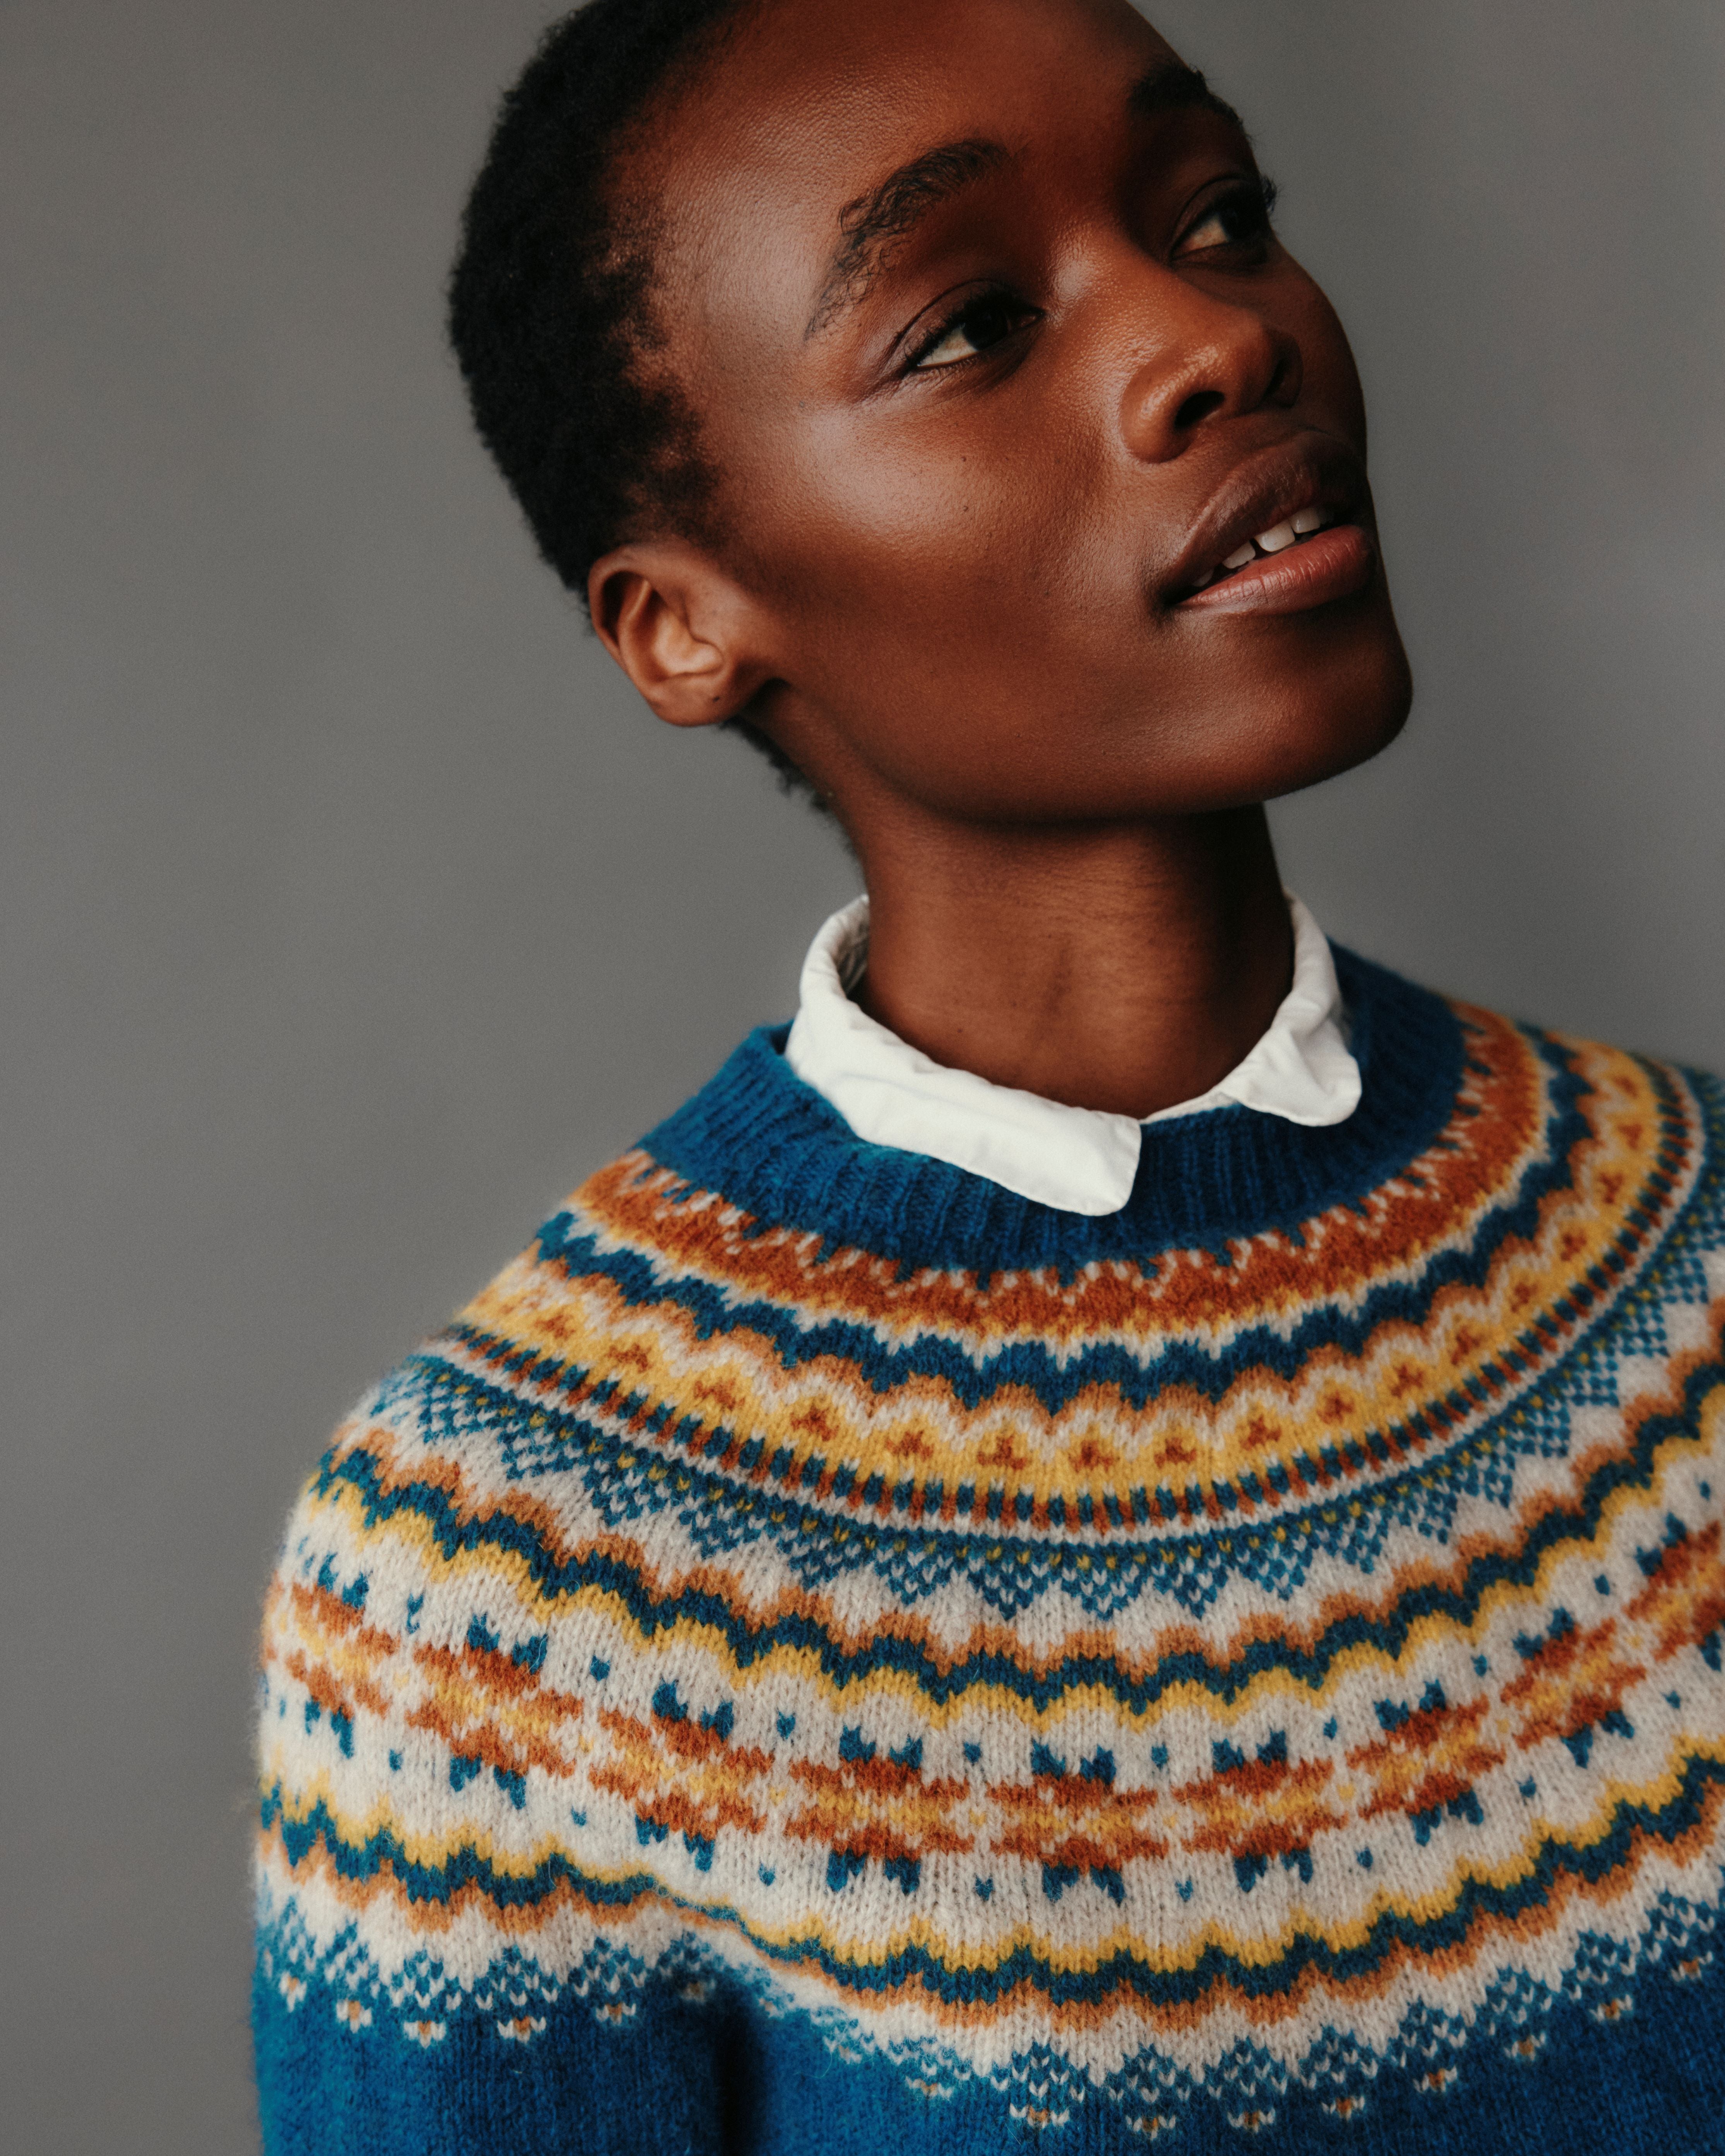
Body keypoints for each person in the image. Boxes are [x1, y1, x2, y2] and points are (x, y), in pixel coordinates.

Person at [250, 0, 1725, 2148]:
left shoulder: (1699, 1234)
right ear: (685, 620)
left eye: (1217, 211)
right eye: (970, 325)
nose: (1214, 337)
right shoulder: (507, 1584)